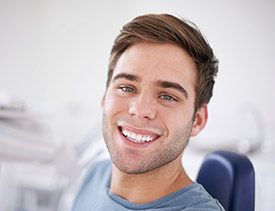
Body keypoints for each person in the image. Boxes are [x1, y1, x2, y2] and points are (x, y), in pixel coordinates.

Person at [72, 14, 224, 211]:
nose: (139, 110)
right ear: (104, 96)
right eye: (126, 88)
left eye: (167, 96)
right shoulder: (95, 175)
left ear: (198, 120)